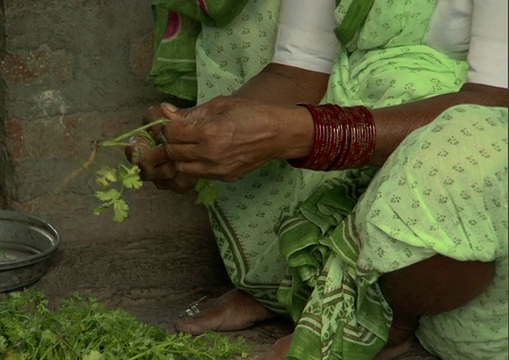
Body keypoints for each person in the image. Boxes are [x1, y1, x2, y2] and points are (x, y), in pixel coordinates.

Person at [129, 0, 508, 359]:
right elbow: (296, 69)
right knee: (251, 19)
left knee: (464, 152)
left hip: (471, 136)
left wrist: (308, 134)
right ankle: (294, 285)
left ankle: (385, 320)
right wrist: (197, 133)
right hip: (362, 105)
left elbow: (492, 102)